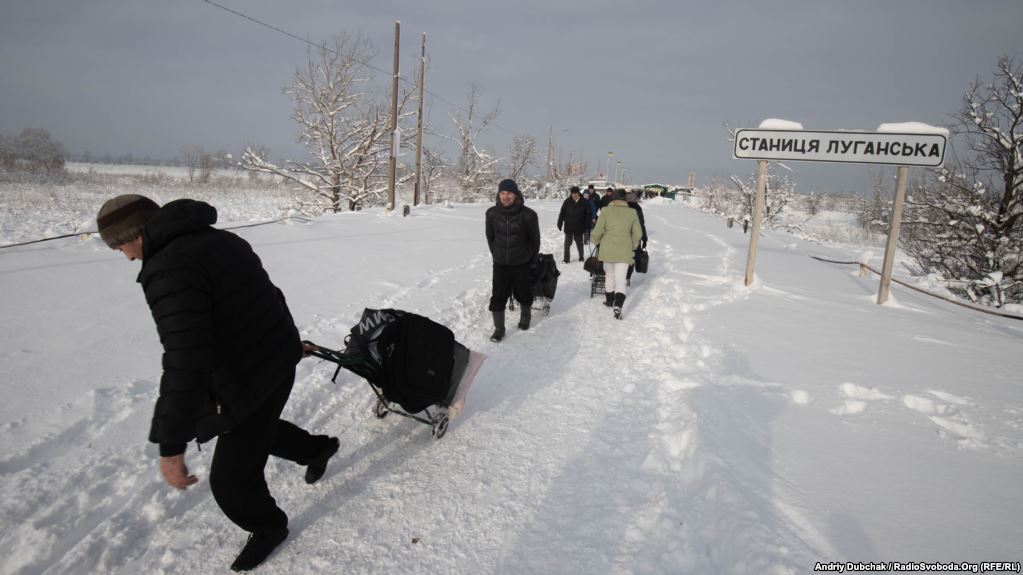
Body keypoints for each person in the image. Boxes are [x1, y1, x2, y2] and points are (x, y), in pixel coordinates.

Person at [96, 194, 339, 572]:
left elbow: (185, 357)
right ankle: (316, 449)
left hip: (252, 374)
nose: (126, 256)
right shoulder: (222, 239)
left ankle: (270, 528)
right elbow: (269, 299)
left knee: (230, 480)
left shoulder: (168, 269)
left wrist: (171, 444)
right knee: (253, 429)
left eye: (121, 245)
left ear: (137, 234)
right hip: (273, 361)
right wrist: (290, 344)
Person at [485, 179, 541, 341]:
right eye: (502, 193)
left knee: (522, 292)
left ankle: (525, 316)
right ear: (498, 194)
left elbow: (535, 240)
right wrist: (496, 254)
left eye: (509, 193)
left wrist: (532, 259)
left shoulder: (529, 215)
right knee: (498, 296)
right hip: (500, 264)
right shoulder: (491, 214)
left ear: (516, 195)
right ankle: (499, 329)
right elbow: (490, 238)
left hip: (521, 263)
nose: (505, 196)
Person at [592, 188, 642, 320]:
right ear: (625, 199)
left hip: (607, 249)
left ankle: (609, 300)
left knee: (609, 275)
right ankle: (618, 306)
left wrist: (595, 240)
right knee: (620, 278)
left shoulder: (605, 211)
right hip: (624, 250)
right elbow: (638, 234)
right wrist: (632, 245)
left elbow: (597, 231)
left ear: (613, 198)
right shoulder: (632, 212)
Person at [557, 185, 591, 263]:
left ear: (578, 193)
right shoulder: (567, 201)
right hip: (569, 226)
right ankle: (566, 259)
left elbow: (588, 214)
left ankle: (581, 257)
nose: (574, 195)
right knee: (567, 244)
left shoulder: (584, 202)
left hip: (579, 226)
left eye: (576, 193)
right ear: (571, 194)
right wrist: (560, 222)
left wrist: (587, 224)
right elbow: (562, 213)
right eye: (573, 193)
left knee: (579, 244)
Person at [625, 191, 649, 286]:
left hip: (623, 236)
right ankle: (627, 277)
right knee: (632, 258)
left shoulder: (623, 208)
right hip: (635, 237)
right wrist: (644, 238)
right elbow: (641, 225)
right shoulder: (638, 208)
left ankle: (620, 275)